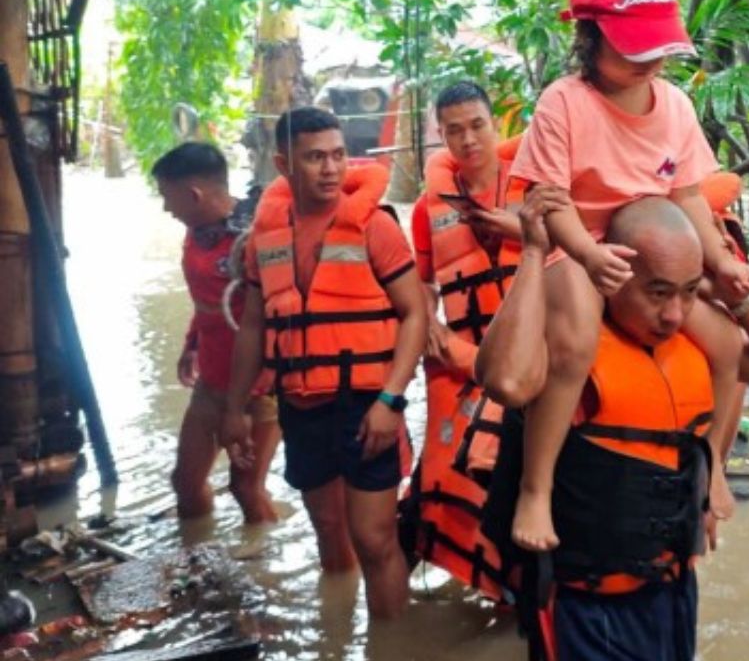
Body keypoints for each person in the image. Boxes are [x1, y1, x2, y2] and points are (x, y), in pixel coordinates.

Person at [476, 190, 749, 660]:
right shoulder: (569, 346)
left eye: (687, 292)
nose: (673, 313)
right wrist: (535, 251)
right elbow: (505, 380)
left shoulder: (696, 340)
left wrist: (731, 299)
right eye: (657, 292)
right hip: (587, 603)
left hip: (671, 591)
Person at [507, 0, 749, 555]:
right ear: (589, 39)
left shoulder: (674, 104)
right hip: (582, 246)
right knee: (572, 349)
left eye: (655, 49)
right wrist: (591, 258)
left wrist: (720, 260)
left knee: (727, 345)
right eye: (632, 49)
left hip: (656, 258)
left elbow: (689, 196)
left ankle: (713, 466)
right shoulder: (562, 103)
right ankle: (535, 488)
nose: (649, 62)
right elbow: (553, 201)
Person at [220, 107, 428, 619]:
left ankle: (390, 648)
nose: (331, 168)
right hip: (301, 404)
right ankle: (335, 634)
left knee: (375, 538)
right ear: (283, 163)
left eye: (338, 155)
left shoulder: (374, 226)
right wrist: (234, 408)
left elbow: (416, 315)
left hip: (368, 406)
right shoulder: (264, 240)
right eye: (315, 158)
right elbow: (252, 326)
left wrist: (390, 400)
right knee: (328, 529)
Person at [405, 81, 526, 600]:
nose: (468, 139)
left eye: (476, 124)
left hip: (527, 363)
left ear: (494, 123)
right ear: (441, 135)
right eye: (454, 130)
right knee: (457, 483)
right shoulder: (425, 210)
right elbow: (425, 280)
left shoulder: (533, 185)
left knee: (525, 485)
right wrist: (426, 311)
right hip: (465, 363)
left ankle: (523, 597)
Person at [152, 142, 280, 524]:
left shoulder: (256, 239)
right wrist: (191, 343)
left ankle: (263, 574)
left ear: (193, 195)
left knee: (245, 488)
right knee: (186, 483)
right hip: (211, 382)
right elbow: (208, 301)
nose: (165, 208)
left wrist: (242, 406)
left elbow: (274, 325)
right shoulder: (196, 231)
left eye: (167, 197)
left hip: (258, 392)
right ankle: (197, 557)